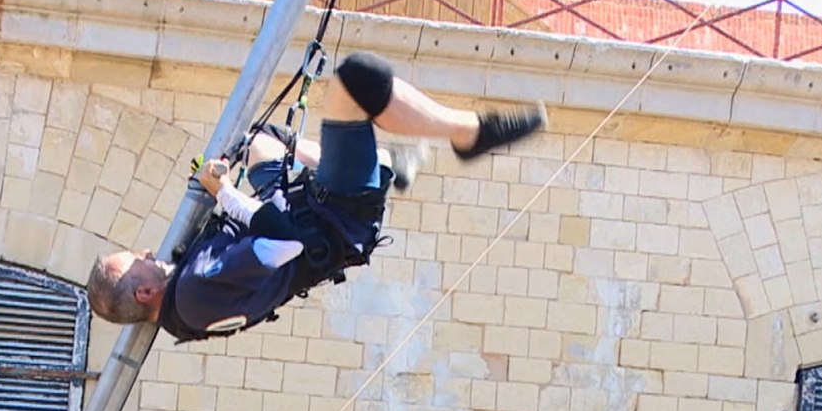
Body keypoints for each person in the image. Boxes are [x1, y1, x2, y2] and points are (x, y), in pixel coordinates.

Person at [87, 52, 546, 342]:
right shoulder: (193, 293)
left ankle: (384, 162)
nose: (147, 252)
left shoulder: (185, 303)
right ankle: (468, 134)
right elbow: (282, 242)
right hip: (335, 212)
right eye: (138, 260)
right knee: (355, 79)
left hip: (301, 206)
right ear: (145, 291)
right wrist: (222, 191)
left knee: (256, 138)